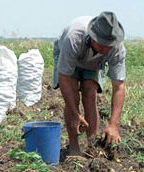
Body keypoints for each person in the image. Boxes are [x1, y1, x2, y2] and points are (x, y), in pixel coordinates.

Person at [53, 11, 127, 156]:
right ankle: (74, 147)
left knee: (90, 94)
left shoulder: (116, 48)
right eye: (103, 44)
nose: (107, 49)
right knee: (73, 97)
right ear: (93, 38)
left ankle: (92, 146)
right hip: (70, 57)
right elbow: (65, 79)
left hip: (94, 64)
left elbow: (119, 86)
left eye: (109, 45)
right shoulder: (74, 38)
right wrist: (75, 113)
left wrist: (113, 124)